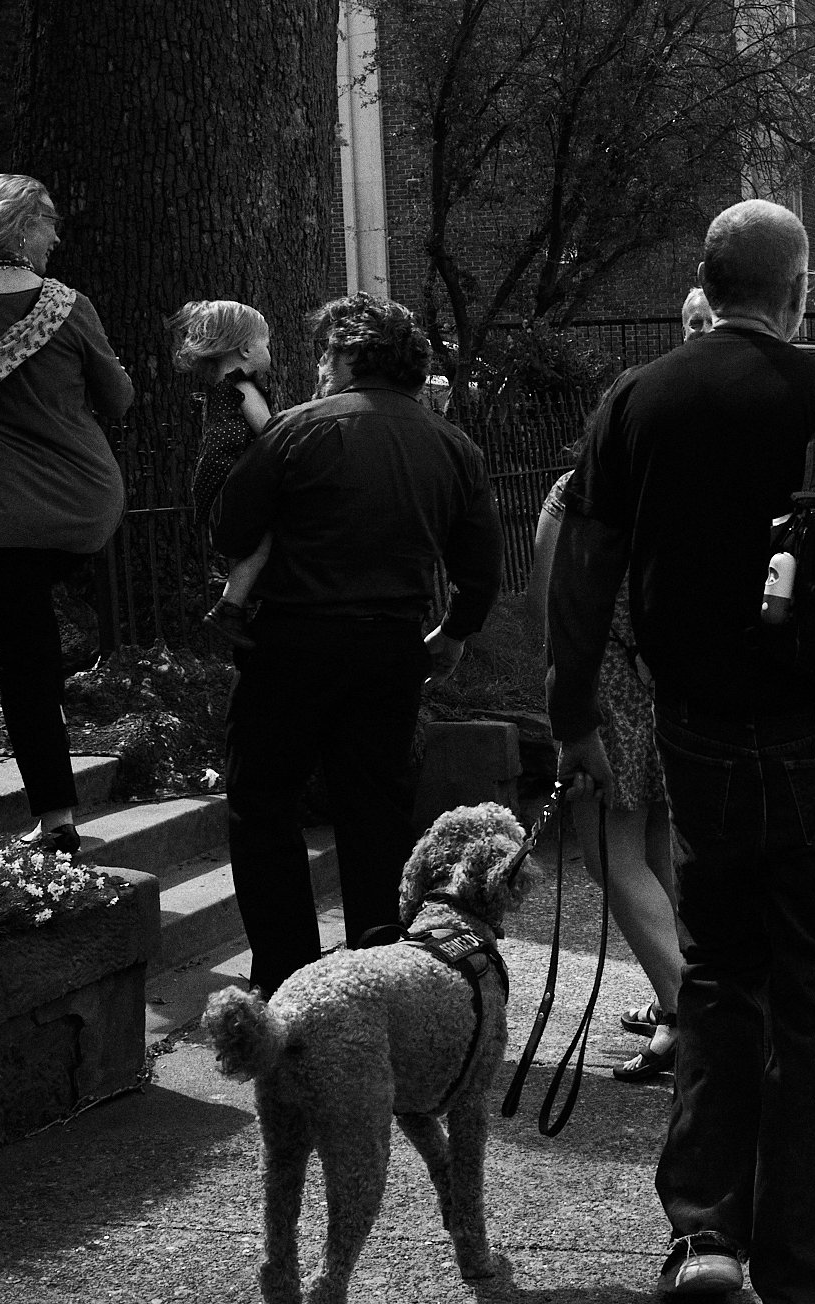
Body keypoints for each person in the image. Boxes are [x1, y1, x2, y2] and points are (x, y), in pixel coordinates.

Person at [545, 199, 815, 1304]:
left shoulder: (637, 400)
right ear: (796, 295)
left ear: (707, 283)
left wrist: (573, 716)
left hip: (699, 741)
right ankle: (811, 1263)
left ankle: (705, 1233)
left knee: (719, 982)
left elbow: (584, 568)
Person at [210, 293, 505, 998]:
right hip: (390, 648)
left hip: (294, 642)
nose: (320, 366)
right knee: (376, 813)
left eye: (325, 353)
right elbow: (481, 566)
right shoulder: (453, 446)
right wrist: (454, 633)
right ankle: (376, 973)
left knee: (264, 804)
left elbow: (231, 529)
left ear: (346, 354)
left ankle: (286, 978)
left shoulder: (296, 430)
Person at [0, 173, 136, 856]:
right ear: (20, 227)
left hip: (2, 517)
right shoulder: (69, 307)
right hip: (86, 507)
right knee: (56, 630)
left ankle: (56, 818)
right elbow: (118, 401)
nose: (56, 236)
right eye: (50, 222)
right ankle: (86, 665)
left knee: (25, 667)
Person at [527, 449, 683, 1083]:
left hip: (602, 684)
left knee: (610, 854)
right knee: (658, 848)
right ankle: (696, 999)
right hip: (667, 686)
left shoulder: (578, 492)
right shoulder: (677, 484)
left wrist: (565, 707)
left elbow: (548, 609)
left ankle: (687, 1011)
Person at [167, 300, 276, 647]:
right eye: (266, 343)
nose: (269, 351)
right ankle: (229, 608)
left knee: (241, 550)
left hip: (217, 484)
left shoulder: (218, 389)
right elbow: (272, 433)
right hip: (238, 483)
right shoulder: (242, 388)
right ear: (246, 349)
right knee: (264, 542)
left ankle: (240, 604)